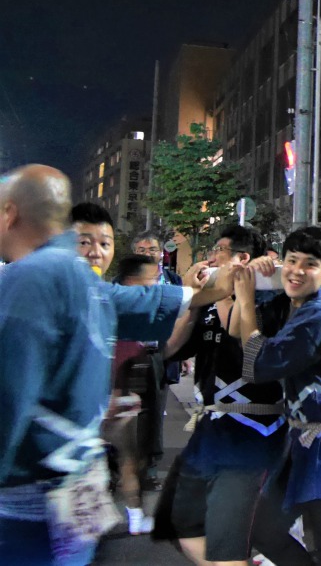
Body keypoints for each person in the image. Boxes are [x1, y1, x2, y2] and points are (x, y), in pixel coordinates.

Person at [0, 165, 226, 566]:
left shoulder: (28, 277)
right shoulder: (84, 282)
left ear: (9, 213)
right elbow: (145, 303)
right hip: (74, 490)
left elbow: (6, 396)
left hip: (29, 499)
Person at [235, 226, 321, 566]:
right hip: (304, 443)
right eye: (291, 261)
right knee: (263, 531)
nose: (296, 271)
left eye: (310, 264)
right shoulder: (299, 306)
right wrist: (262, 275)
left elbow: (258, 364)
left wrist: (246, 298)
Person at [163, 224, 292, 566]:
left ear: (242, 258)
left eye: (219, 250)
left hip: (254, 430)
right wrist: (193, 300)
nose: (211, 256)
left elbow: (246, 343)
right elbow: (170, 350)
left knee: (229, 539)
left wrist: (234, 292)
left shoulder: (271, 298)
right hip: (210, 429)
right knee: (184, 525)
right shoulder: (206, 302)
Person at [103, 254, 160, 536]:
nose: (156, 284)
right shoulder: (119, 308)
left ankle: (133, 516)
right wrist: (114, 394)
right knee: (127, 458)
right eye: (152, 278)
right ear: (132, 281)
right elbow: (117, 354)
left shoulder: (128, 307)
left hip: (122, 394)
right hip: (113, 396)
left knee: (129, 458)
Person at [131, 230, 183, 487]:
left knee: (154, 412)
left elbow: (183, 316)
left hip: (160, 354)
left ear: (162, 253)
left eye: (152, 249)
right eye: (141, 250)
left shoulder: (173, 281)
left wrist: (183, 353)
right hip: (129, 353)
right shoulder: (125, 281)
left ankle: (150, 467)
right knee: (125, 413)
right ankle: (118, 468)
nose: (147, 253)